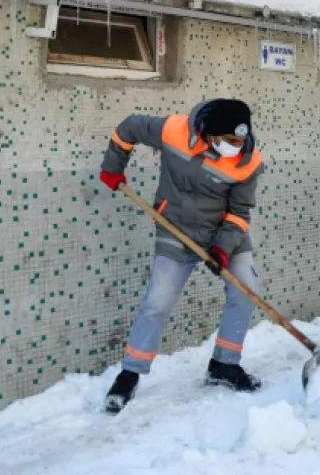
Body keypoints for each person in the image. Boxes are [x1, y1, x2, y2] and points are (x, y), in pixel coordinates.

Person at [98, 99, 265, 413]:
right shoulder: (173, 130)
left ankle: (224, 366)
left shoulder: (249, 162)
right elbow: (128, 128)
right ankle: (129, 374)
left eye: (241, 140)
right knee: (157, 301)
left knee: (246, 290)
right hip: (175, 229)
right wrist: (113, 166)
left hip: (223, 233)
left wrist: (221, 248)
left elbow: (240, 213)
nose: (237, 146)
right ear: (210, 134)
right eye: (230, 141)